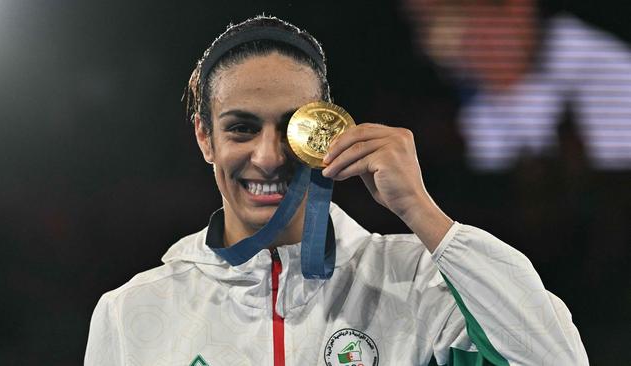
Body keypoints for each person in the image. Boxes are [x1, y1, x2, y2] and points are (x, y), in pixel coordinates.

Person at [85, 15, 588, 365]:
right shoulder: (131, 313)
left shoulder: (415, 284)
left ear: (323, 129)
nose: (267, 156)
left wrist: (422, 212)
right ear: (204, 137)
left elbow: (554, 359)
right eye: (241, 128)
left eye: (290, 127)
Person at [400, 0, 631, 171]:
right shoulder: (479, 110)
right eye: (424, 26)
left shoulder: (610, 79)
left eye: (453, 19)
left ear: (516, 9)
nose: (439, 47)